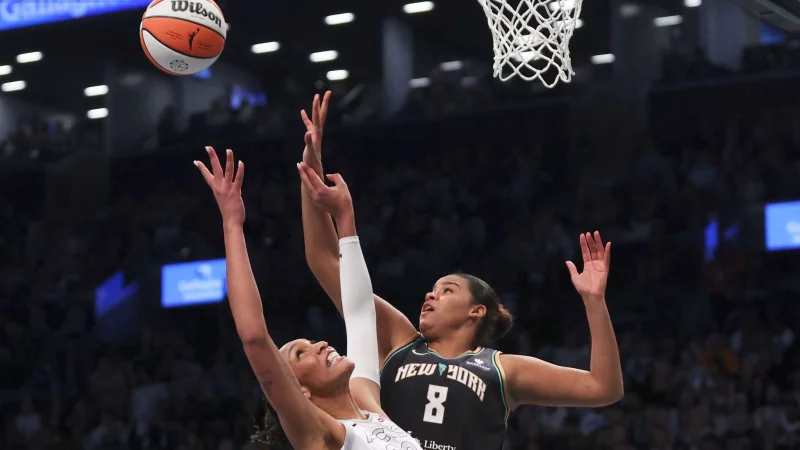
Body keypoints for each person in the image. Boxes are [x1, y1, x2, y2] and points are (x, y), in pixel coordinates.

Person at [298, 92, 625, 450]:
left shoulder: (504, 369)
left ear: (476, 310)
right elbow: (326, 262)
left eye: (447, 290)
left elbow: (603, 388)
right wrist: (311, 168)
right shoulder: (399, 340)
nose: (431, 294)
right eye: (434, 289)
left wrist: (595, 302)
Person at [194, 146, 424, 450]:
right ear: (300, 391)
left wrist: (345, 218)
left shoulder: (369, 407)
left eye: (309, 344)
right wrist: (232, 224)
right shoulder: (322, 435)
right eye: (301, 354)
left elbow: (359, 313)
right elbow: (254, 337)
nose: (321, 345)